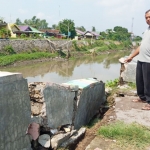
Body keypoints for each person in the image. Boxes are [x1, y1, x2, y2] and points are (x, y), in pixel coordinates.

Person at [124, 9, 150, 110]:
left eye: (149, 17)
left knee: (148, 82)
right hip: (141, 59)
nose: (148, 19)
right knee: (140, 81)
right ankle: (142, 97)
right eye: (146, 18)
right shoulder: (147, 30)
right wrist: (131, 57)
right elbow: (141, 46)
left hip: (149, 61)